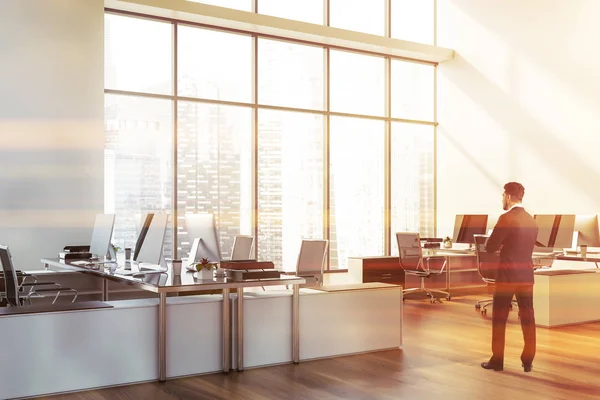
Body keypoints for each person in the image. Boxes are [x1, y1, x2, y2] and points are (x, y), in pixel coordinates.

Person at [481, 182, 538, 373]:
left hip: (507, 275)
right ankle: (528, 360)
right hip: (526, 275)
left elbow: (490, 247)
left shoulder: (506, 218)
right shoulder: (531, 220)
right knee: (528, 316)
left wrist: (500, 246)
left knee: (499, 318)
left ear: (507, 196)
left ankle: (497, 360)